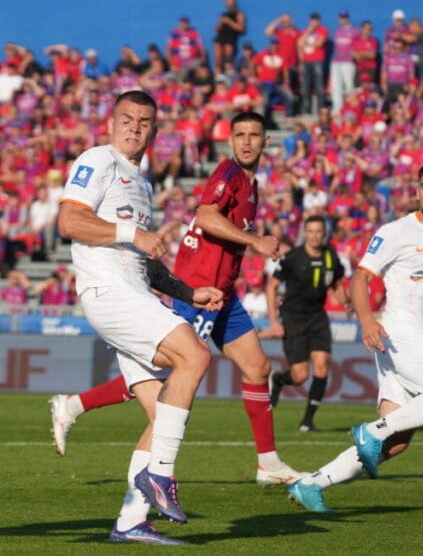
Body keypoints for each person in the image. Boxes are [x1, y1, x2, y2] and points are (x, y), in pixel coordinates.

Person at [50, 112, 302, 487]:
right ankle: (78, 409)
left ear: (267, 141)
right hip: (197, 283)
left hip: (221, 291)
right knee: (173, 377)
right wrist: (255, 241)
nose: (246, 142)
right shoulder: (228, 175)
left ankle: (268, 464)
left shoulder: (251, 185)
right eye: (240, 135)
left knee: (258, 369)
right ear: (230, 141)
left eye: (254, 135)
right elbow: (206, 216)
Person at [58, 89, 222, 545]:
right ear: (112, 122)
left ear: (154, 130)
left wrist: (189, 292)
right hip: (108, 291)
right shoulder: (99, 159)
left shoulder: (141, 183)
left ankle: (131, 520)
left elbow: (146, 263)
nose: (134, 127)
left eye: (143, 121)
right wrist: (133, 232)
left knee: (161, 412)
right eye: (126, 118)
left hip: (132, 289)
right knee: (195, 356)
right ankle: (161, 475)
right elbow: (69, 223)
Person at [289, 159, 423, 513]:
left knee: (395, 442)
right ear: (417, 190)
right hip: (398, 333)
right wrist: (367, 319)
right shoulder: (396, 231)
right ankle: (371, 430)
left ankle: (311, 483)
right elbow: (360, 278)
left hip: (418, 338)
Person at [265, 215, 349, 432]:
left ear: (324, 233)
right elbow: (271, 287)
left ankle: (307, 421)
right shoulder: (292, 258)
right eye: (310, 231)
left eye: (318, 231)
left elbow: (337, 285)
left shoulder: (331, 256)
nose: (314, 236)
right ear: (305, 233)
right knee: (300, 376)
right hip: (293, 318)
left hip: (318, 317)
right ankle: (279, 379)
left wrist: (347, 302)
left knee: (322, 364)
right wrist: (274, 321)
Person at [213, 0, 246, 73]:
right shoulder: (224, 14)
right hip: (220, 38)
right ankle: (218, 76)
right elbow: (216, 29)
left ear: (235, 1)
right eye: (227, 0)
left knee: (228, 60)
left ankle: (229, 77)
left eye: (230, 0)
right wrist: (219, 25)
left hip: (230, 39)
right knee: (218, 60)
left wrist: (229, 22)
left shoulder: (239, 14)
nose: (228, 2)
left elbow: (241, 29)